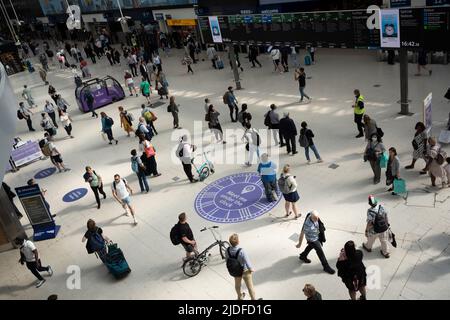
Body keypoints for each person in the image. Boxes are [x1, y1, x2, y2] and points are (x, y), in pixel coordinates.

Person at [296, 210, 335, 274]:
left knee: (311, 246)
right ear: (311, 216)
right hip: (312, 239)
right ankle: (326, 267)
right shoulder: (307, 225)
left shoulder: (313, 216)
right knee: (320, 252)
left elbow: (318, 222)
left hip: (316, 236)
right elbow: (302, 232)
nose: (317, 219)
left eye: (317, 217)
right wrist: (299, 244)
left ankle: (303, 256)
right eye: (315, 218)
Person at [226, 234, 258, 300]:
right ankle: (253, 299)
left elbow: (227, 260)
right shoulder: (241, 251)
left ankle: (240, 297)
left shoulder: (227, 250)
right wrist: (251, 269)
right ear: (238, 242)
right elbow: (247, 262)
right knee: (250, 286)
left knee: (237, 285)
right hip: (245, 271)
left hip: (236, 271)